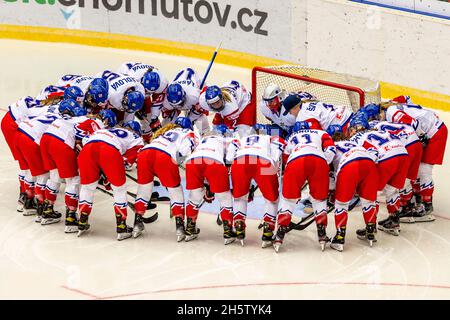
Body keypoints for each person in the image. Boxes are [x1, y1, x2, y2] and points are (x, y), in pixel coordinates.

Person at [361, 96, 447, 219]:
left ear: (380, 111)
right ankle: (418, 200)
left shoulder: (391, 112)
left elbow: (414, 123)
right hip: (430, 128)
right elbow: (407, 98)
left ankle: (427, 205)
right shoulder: (392, 107)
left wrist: (421, 137)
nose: (378, 120)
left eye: (377, 117)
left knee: (424, 170)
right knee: (416, 170)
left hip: (434, 132)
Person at [273, 116, 336, 252]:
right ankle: (322, 233)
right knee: (319, 199)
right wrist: (323, 162)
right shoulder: (320, 133)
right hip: (318, 160)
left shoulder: (291, 137)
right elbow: (331, 149)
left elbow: (284, 157)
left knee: (288, 200)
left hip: (295, 161)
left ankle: (280, 234)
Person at [40, 98, 104, 230]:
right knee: (73, 180)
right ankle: (70, 217)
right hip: (61, 143)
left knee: (54, 176)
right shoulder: (91, 122)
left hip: (46, 139)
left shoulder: (62, 118)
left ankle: (47, 210)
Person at [132, 117, 199, 241]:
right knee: (176, 191)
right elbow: (185, 150)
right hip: (164, 157)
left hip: (145, 154)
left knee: (144, 190)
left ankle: (137, 223)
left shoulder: (164, 132)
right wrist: (178, 161)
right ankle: (179, 227)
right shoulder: (189, 133)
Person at [76, 120, 144, 240]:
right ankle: (121, 227)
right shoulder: (136, 138)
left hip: (87, 149)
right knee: (119, 189)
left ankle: (82, 221)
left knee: (87, 187)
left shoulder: (105, 130)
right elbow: (126, 163)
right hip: (109, 151)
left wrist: (102, 171)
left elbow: (85, 141)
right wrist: (108, 174)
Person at [348, 113, 409, 236]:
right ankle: (394, 221)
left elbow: (367, 157)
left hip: (385, 158)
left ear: (354, 128)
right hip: (403, 154)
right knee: (392, 190)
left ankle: (371, 228)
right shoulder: (378, 129)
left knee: (370, 193)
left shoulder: (355, 138)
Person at [226, 125, 286, 247]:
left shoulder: (241, 139)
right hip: (263, 161)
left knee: (239, 198)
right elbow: (277, 153)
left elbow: (229, 157)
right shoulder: (271, 137)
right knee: (272, 200)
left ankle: (239, 227)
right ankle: (268, 233)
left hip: (240, 161)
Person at [327, 126, 378, 251]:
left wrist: (330, 193)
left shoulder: (331, 148)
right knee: (368, 201)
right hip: (369, 163)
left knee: (341, 204)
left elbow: (331, 178)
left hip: (349, 166)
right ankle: (370, 232)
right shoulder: (355, 143)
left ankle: (339, 238)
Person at [184, 124, 235, 244]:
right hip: (214, 162)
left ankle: (190, 228)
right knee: (225, 198)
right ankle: (228, 231)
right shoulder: (228, 140)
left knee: (194, 197)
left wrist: (208, 186)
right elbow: (230, 159)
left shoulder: (202, 140)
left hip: (192, 162)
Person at [368, 120, 424, 222]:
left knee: (383, 188)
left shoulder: (371, 131)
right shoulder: (385, 123)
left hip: (402, 149)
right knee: (406, 179)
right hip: (415, 143)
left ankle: (373, 224)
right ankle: (407, 208)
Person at [161, 68, 208, 133]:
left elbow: (201, 110)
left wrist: (189, 120)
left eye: (180, 104)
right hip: (183, 84)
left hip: (195, 83)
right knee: (167, 122)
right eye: (175, 105)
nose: (179, 107)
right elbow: (166, 114)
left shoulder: (195, 96)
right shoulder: (165, 101)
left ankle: (205, 134)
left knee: (201, 119)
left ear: (184, 96)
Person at [283, 92, 353, 132]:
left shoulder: (302, 116)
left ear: (295, 107)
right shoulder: (307, 103)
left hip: (342, 124)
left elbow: (318, 133)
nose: (290, 114)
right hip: (347, 113)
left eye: (289, 111)